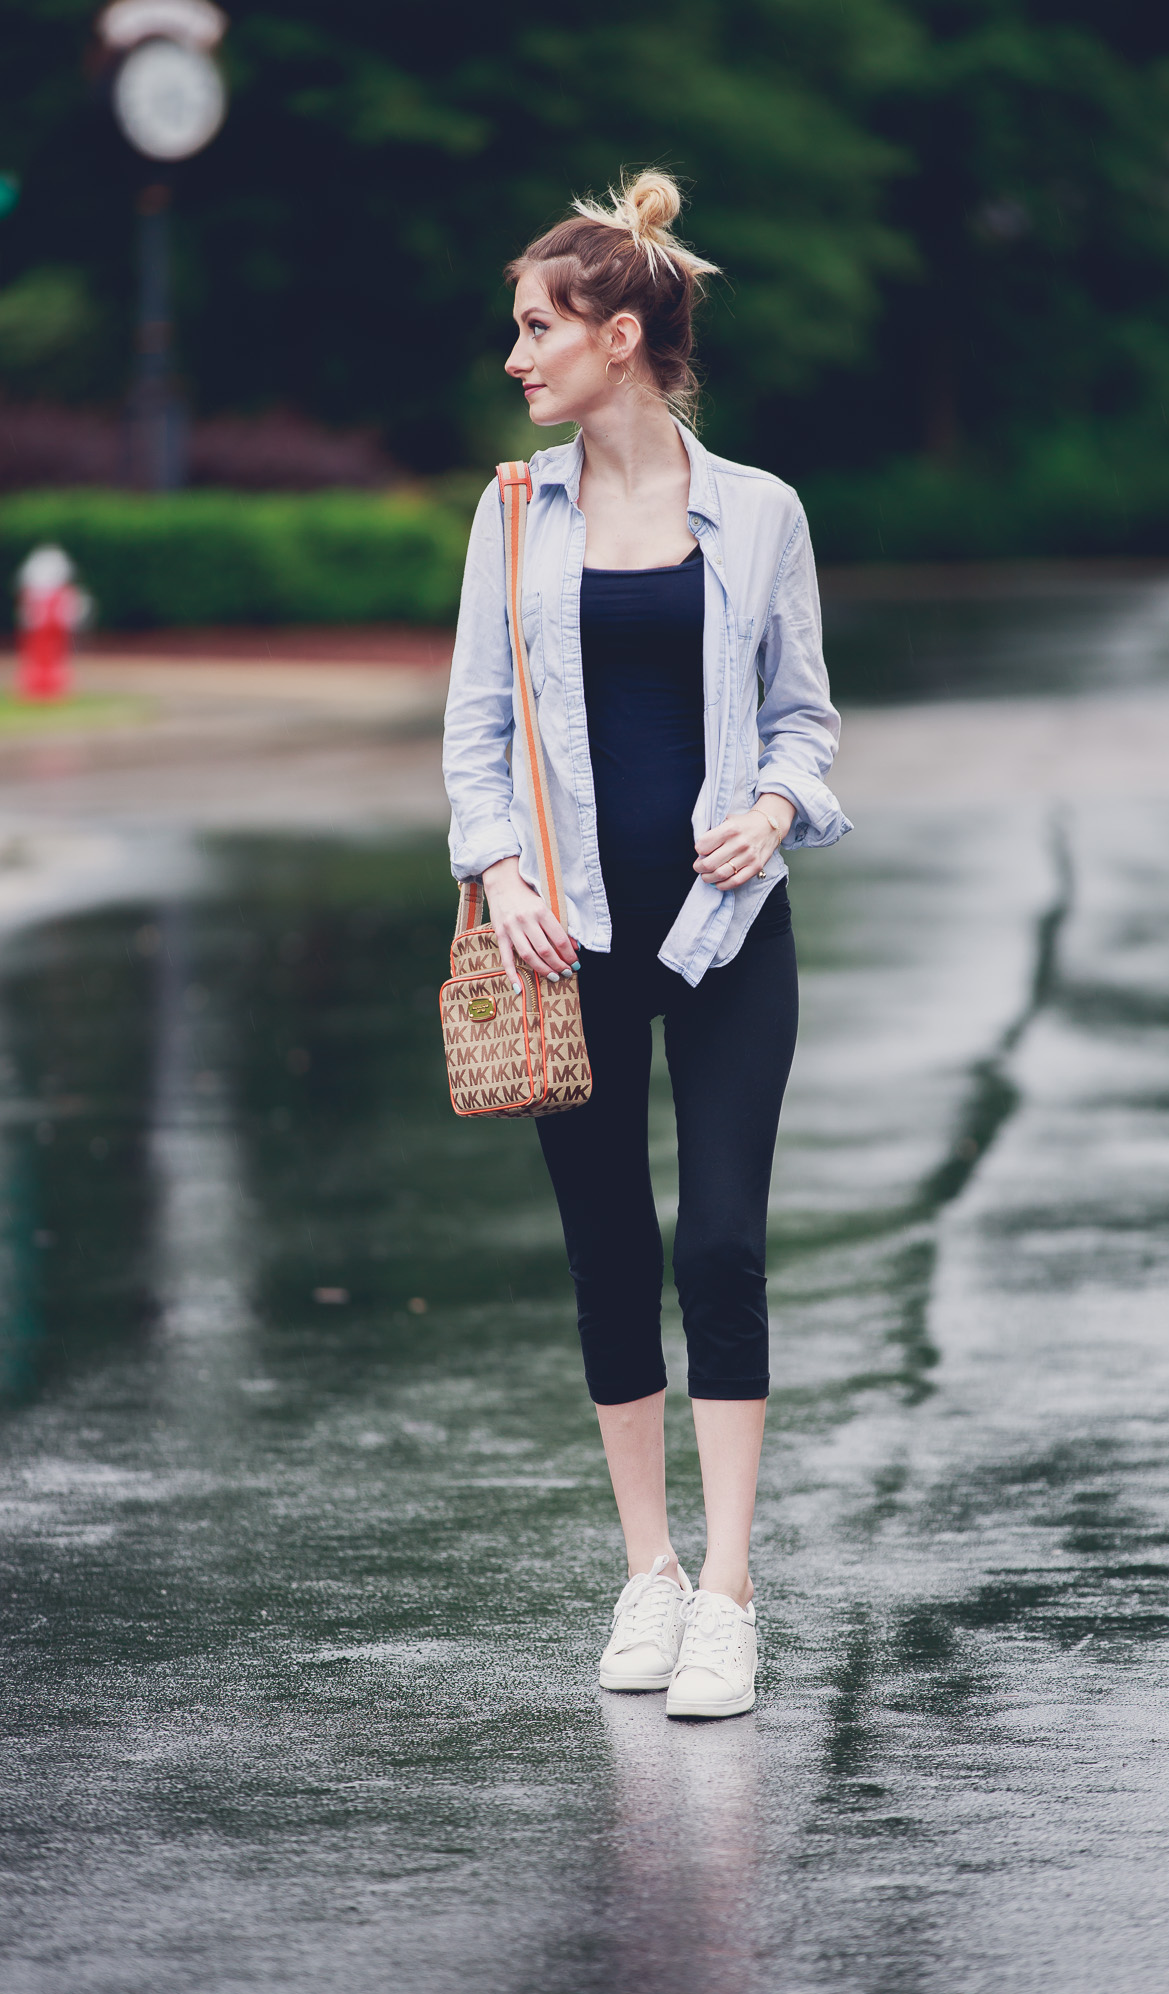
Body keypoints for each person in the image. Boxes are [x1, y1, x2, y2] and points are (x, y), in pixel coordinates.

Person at [443, 170, 850, 1718]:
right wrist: (502, 873)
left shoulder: (757, 513)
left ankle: (732, 1593)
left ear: (620, 338)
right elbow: (477, 737)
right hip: (569, 948)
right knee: (609, 1251)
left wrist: (774, 807)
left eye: (539, 328)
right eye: (517, 329)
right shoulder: (511, 512)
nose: (517, 356)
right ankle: (649, 1576)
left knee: (720, 1243)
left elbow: (806, 719)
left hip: (728, 929)